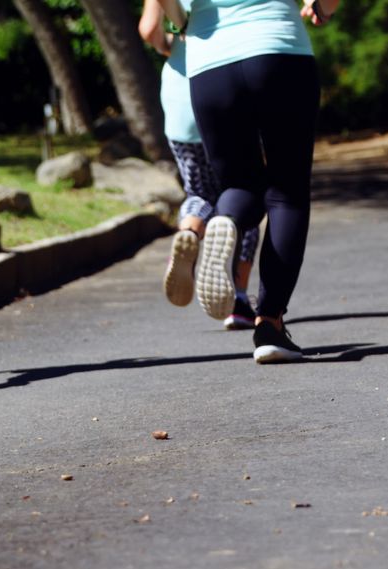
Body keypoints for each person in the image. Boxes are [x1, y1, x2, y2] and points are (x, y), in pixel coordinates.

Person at [157, 0, 340, 363]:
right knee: (287, 193)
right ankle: (269, 323)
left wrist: (181, 24)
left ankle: (224, 220)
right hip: (279, 51)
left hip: (209, 66)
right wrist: (322, 6)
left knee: (240, 185)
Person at [139, 0, 262, 330]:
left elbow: (149, 29)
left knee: (197, 189)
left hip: (182, 98)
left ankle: (190, 230)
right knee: (244, 189)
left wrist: (169, 47)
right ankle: (238, 297)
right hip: (226, 87)